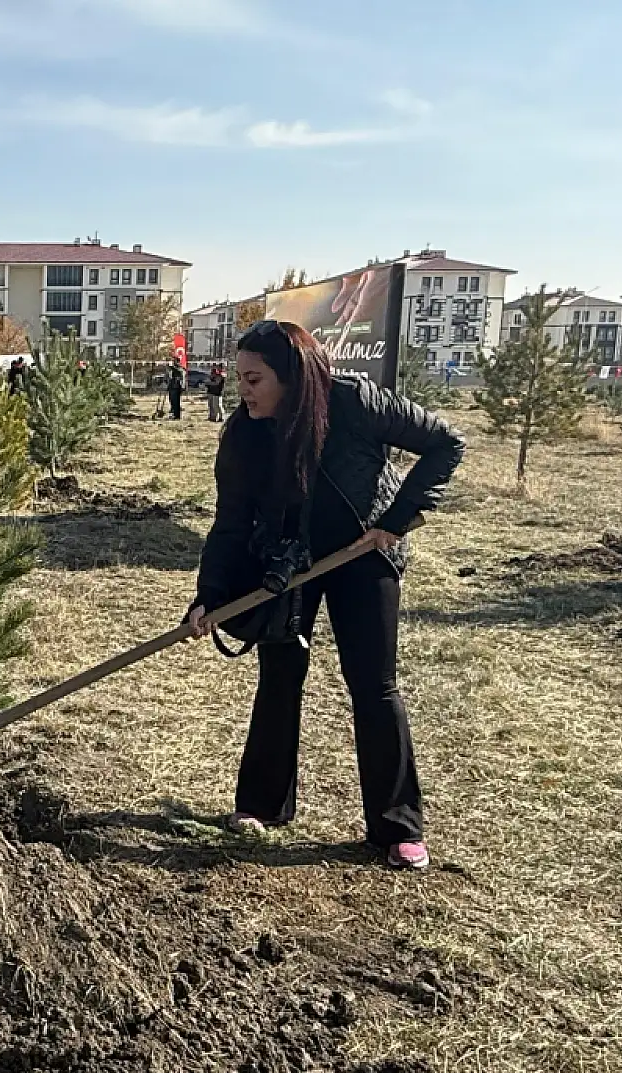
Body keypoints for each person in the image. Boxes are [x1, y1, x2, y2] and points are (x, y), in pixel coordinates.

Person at [185, 321, 464, 871]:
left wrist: (394, 521)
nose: (243, 391)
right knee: (279, 675)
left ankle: (397, 826)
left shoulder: (353, 402)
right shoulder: (244, 434)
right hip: (289, 563)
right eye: (239, 378)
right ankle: (261, 806)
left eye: (254, 379)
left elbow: (444, 444)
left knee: (374, 684)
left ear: (291, 376)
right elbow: (231, 522)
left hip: (363, 552)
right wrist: (209, 595)